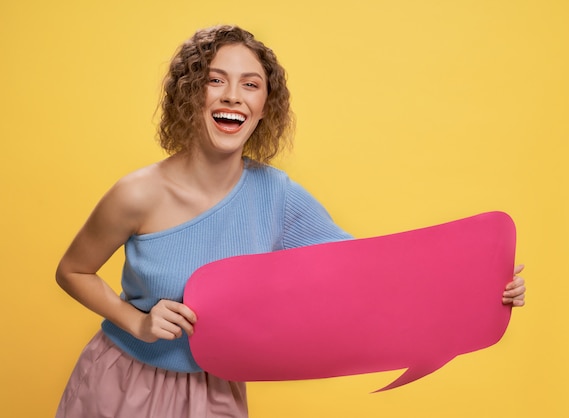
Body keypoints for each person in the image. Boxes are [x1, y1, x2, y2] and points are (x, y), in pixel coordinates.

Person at [55, 25, 526, 418]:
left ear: (265, 106)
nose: (233, 96)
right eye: (215, 80)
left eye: (251, 84)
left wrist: (480, 290)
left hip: (215, 393)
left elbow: (373, 276)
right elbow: (73, 271)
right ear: (190, 93)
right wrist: (136, 322)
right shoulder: (136, 193)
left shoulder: (276, 195)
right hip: (121, 383)